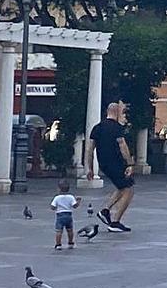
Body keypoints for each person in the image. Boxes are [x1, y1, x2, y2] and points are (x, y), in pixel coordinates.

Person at [85, 102, 134, 232]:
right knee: (128, 190)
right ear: (117, 112)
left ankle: (106, 210)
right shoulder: (117, 128)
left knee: (122, 187)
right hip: (116, 163)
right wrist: (129, 163)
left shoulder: (97, 128)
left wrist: (89, 168)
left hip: (104, 163)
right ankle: (115, 221)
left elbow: (90, 150)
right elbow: (122, 146)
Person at [50, 179, 81, 250]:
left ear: (59, 189)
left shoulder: (57, 198)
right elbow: (75, 206)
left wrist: (55, 207)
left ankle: (58, 244)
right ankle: (70, 243)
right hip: (68, 215)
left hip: (60, 216)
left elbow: (52, 207)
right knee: (70, 230)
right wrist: (78, 201)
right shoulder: (71, 197)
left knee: (59, 231)